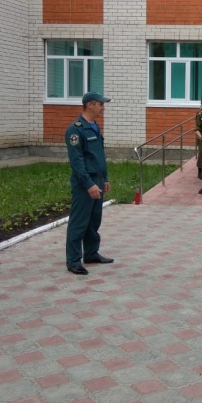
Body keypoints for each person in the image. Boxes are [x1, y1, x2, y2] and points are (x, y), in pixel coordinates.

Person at [65, 91, 113, 276]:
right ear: (91, 104)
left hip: (98, 179)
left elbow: (99, 155)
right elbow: (76, 161)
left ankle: (91, 253)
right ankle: (73, 260)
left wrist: (105, 178)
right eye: (101, 104)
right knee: (79, 222)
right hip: (85, 183)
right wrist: (89, 184)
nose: (103, 107)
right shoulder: (75, 130)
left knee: (94, 220)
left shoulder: (94, 126)